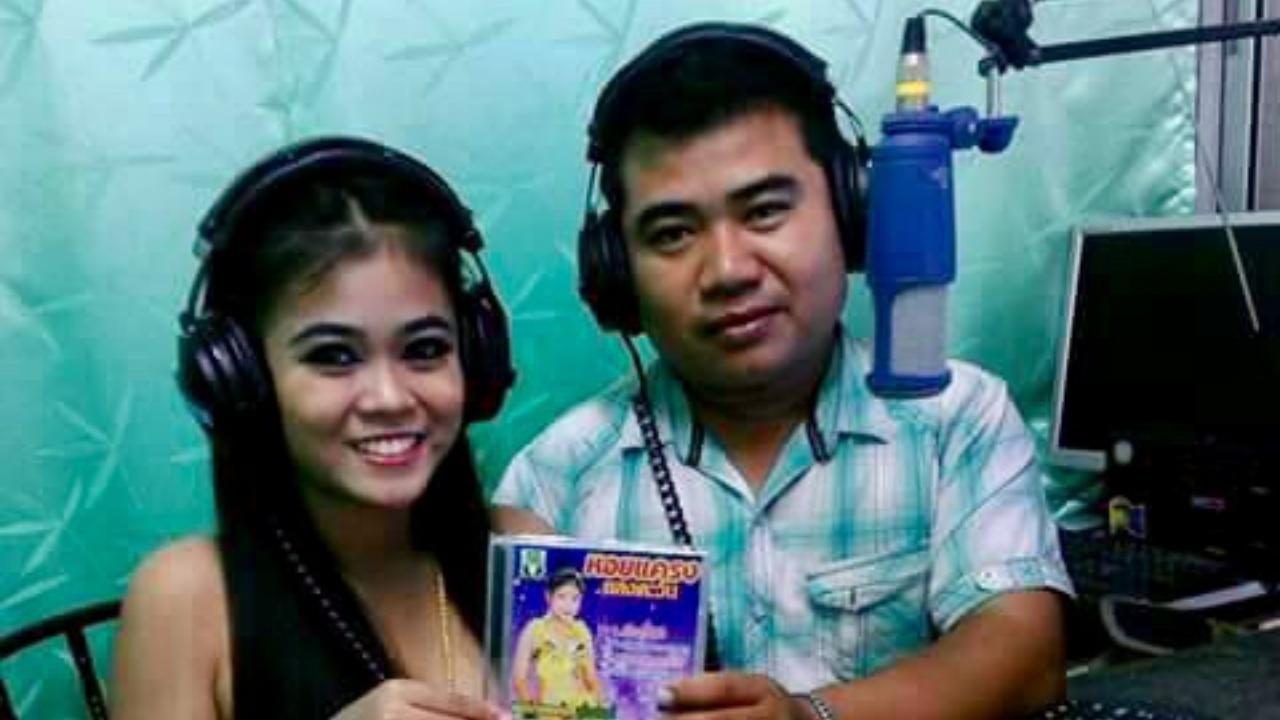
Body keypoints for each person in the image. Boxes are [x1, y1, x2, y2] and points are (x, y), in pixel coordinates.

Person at [492, 23, 1074, 720]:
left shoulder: (957, 417)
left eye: (765, 211)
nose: (728, 270)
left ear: (851, 213)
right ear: (616, 271)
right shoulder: (555, 478)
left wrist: (811, 717)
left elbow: (1024, 651)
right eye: (672, 233)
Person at [111, 137, 515, 719]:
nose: (389, 398)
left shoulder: (522, 550)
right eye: (333, 356)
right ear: (245, 380)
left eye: (425, 348)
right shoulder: (183, 598)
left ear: (474, 358)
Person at [510, 567, 605, 712]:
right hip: (546, 709)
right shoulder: (535, 629)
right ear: (548, 597)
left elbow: (591, 678)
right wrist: (532, 712)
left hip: (579, 708)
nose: (568, 605)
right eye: (562, 597)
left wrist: (600, 709)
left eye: (575, 599)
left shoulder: (582, 631)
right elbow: (519, 679)